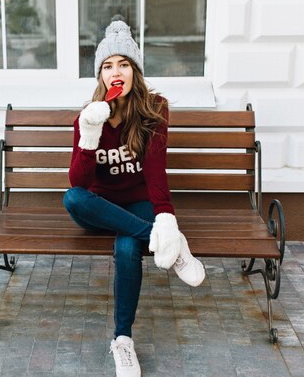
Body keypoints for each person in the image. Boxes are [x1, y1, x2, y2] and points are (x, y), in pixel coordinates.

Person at [62, 20, 206, 377]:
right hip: (99, 206)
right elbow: (78, 181)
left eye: (123, 64)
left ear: (135, 71)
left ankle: (122, 340)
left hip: (139, 202)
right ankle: (168, 246)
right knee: (72, 199)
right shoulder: (89, 115)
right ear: (100, 75)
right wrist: (89, 132)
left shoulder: (154, 109)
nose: (116, 72)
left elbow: (156, 172)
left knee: (127, 250)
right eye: (108, 65)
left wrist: (166, 217)